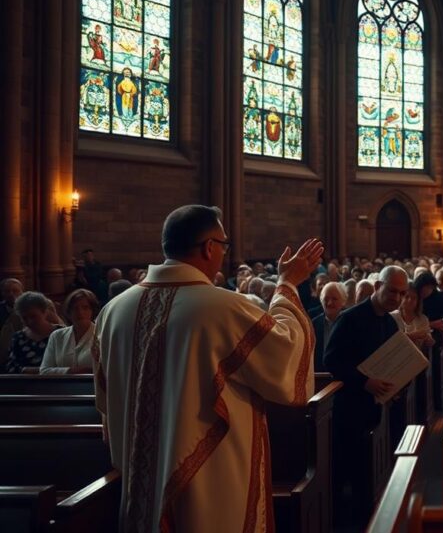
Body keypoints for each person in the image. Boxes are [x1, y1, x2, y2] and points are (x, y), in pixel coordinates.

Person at [94, 205, 322, 532]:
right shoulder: (223, 309)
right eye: (224, 244)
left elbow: (105, 402)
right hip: (208, 480)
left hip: (139, 481)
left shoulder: (113, 312)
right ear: (209, 247)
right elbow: (288, 354)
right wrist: (287, 284)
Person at [323, 265, 407, 527]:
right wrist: (364, 382)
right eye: (392, 291)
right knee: (348, 477)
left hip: (376, 408)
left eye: (402, 293)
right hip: (349, 409)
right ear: (378, 286)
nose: (397, 298)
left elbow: (394, 361)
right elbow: (332, 360)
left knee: (369, 476)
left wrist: (396, 384)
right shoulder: (350, 319)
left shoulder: (391, 322)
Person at [41, 289, 99, 374]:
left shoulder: (101, 335)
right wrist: (72, 371)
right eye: (75, 308)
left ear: (92, 311)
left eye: (85, 308)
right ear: (68, 312)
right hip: (62, 386)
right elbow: (44, 371)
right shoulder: (57, 336)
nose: (80, 312)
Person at [6, 291, 59, 373]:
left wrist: (29, 371)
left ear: (44, 312)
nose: (29, 321)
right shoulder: (18, 337)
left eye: (33, 316)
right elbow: (11, 367)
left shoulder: (61, 334)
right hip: (25, 384)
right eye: (24, 318)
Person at [311, 281, 346, 371]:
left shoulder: (352, 323)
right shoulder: (313, 324)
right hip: (320, 378)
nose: (330, 303)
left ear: (343, 301)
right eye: (326, 299)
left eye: (334, 299)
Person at [0, 278, 25, 368]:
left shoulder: (28, 308)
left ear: (22, 292)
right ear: (2, 293)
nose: (11, 294)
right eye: (7, 291)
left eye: (15, 291)